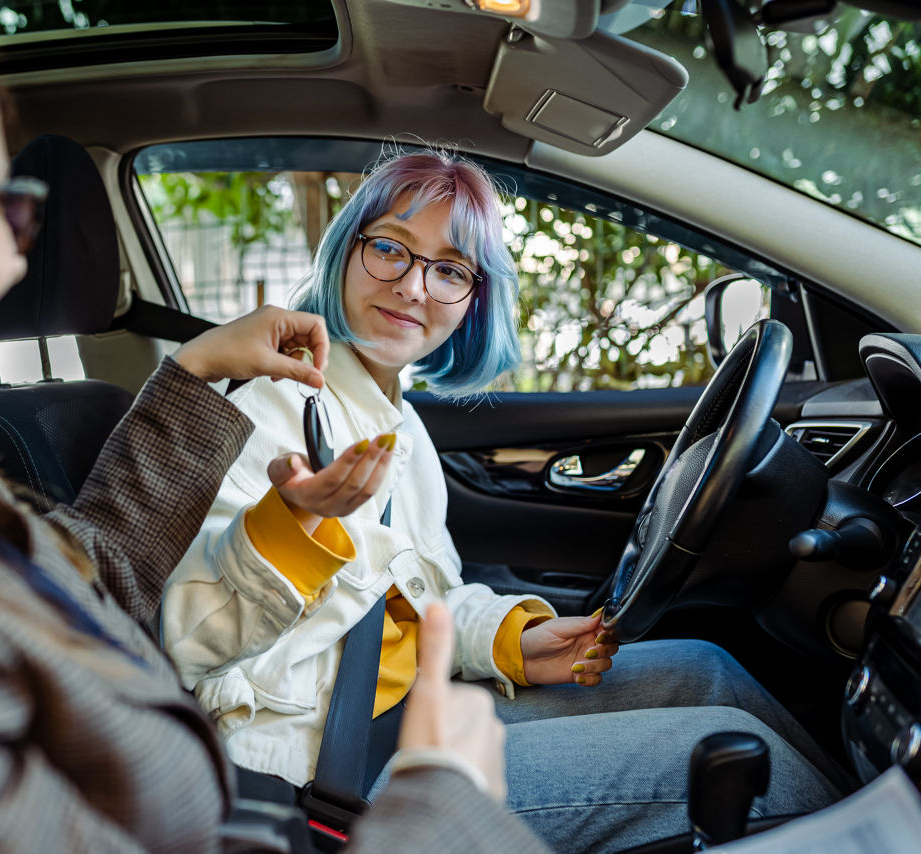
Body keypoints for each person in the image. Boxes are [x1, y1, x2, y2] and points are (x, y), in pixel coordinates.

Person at [0, 2, 554, 851]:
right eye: (4, 207)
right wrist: (441, 801)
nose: (14, 252)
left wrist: (197, 368)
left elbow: (85, 577)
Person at [161, 149, 850, 852]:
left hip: (407, 711)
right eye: (391, 250)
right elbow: (184, 638)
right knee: (730, 753)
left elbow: (420, 602)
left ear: (473, 299)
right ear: (345, 252)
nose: (413, 286)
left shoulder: (403, 428)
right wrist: (292, 528)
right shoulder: (269, 406)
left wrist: (510, 641)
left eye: (450, 270)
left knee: (706, 670)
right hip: (322, 770)